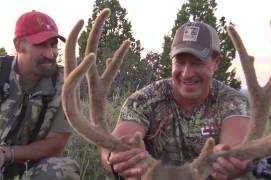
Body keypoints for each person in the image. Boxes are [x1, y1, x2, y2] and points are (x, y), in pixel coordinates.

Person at [101, 20, 251, 180]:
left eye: (197, 63)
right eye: (180, 62)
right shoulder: (144, 100)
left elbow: (239, 148)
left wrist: (231, 160)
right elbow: (113, 145)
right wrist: (115, 156)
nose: (187, 73)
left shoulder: (232, 102)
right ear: (171, 61)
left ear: (216, 63)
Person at [0, 10, 80, 180]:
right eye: (41, 45)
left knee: (63, 169)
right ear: (18, 46)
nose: (50, 53)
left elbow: (55, 144)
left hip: (28, 171)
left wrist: (4, 154)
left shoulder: (65, 84)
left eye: (53, 44)